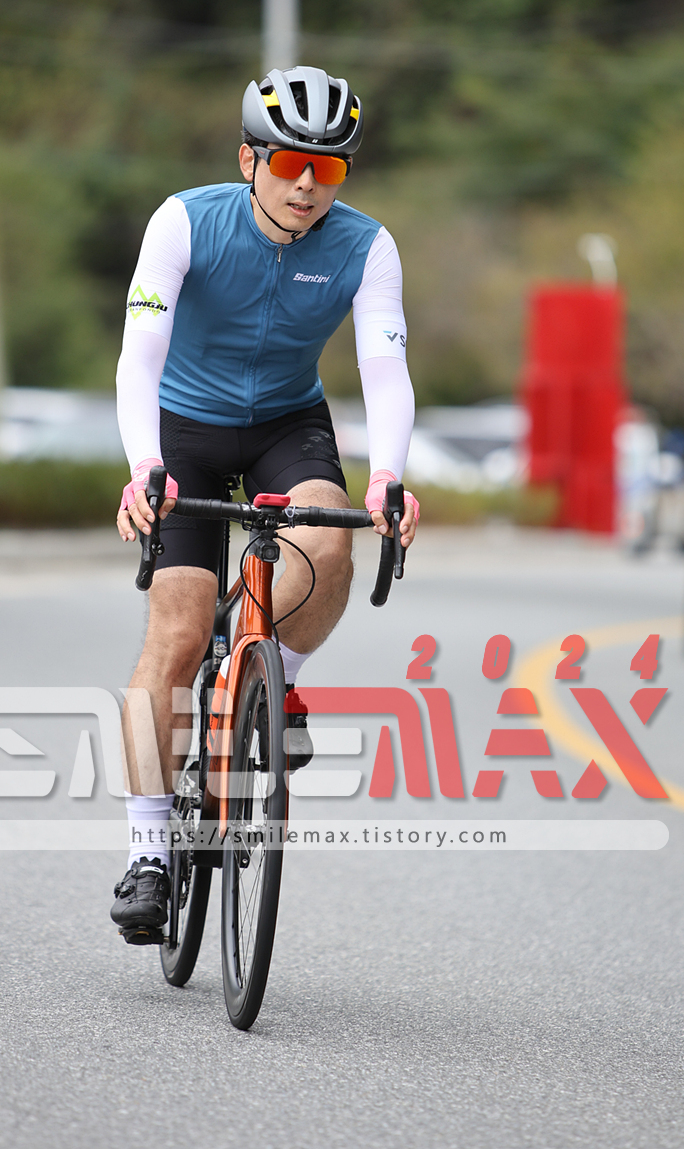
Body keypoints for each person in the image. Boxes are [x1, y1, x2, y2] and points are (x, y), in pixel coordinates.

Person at [109, 66, 420, 942]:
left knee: (331, 548)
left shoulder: (367, 247)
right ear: (250, 160)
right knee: (176, 637)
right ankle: (148, 854)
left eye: (330, 169)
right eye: (289, 163)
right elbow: (139, 356)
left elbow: (385, 370)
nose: (308, 185)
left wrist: (389, 476)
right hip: (186, 427)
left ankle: (274, 682)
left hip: (288, 422)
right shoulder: (183, 222)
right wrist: (145, 466)